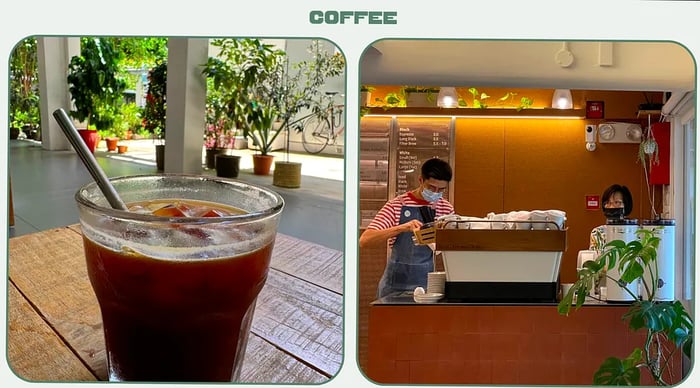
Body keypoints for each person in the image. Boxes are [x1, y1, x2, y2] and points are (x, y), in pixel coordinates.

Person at [359, 158, 455, 298]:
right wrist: (401, 228)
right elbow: (365, 240)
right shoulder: (396, 205)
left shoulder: (445, 208)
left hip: (427, 287)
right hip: (394, 286)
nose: (435, 192)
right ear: (421, 180)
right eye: (431, 188)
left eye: (441, 190)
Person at [589, 184, 634, 251]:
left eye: (617, 202)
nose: (611, 207)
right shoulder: (597, 233)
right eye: (608, 203)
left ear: (626, 205)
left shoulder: (635, 232)